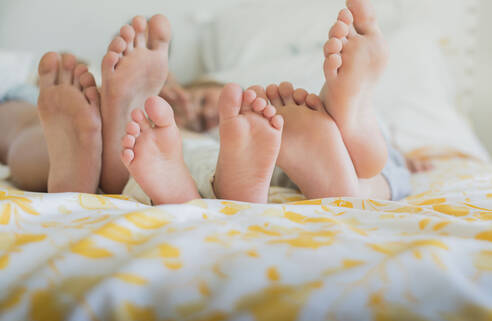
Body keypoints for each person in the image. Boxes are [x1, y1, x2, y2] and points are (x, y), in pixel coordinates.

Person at [0, 0, 428, 204]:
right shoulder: (179, 130)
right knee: (366, 170)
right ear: (172, 94)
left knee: (341, 153)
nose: (204, 111)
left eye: (210, 103)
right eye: (196, 104)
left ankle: (351, 128)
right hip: (219, 154)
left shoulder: (251, 128)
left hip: (270, 152)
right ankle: (352, 156)